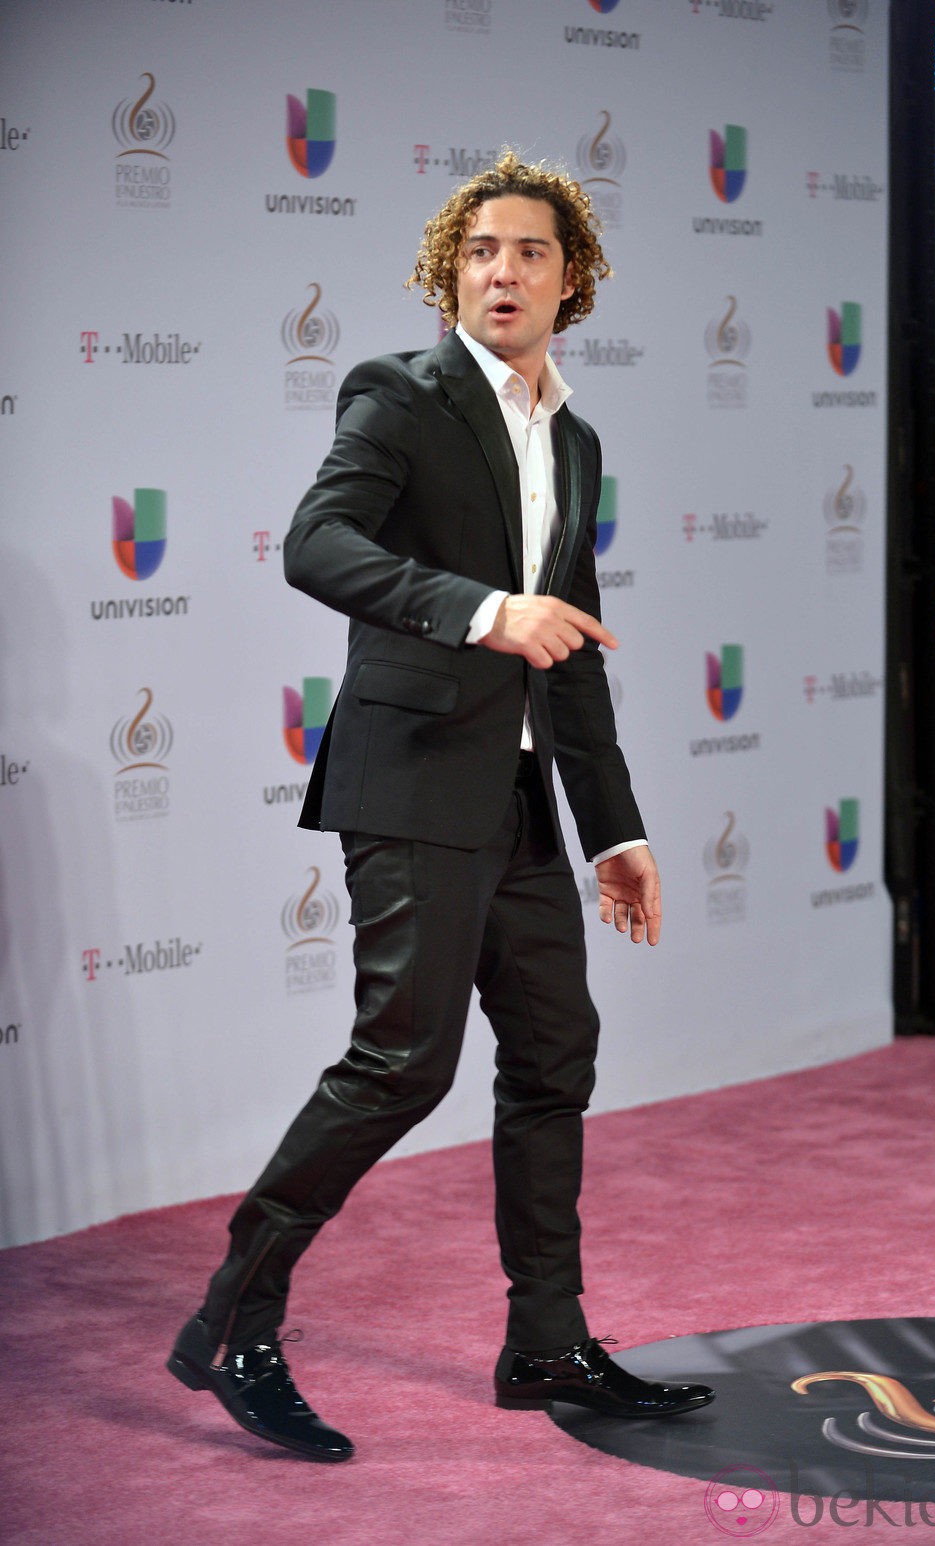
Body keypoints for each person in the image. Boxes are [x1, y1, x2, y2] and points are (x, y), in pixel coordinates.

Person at [167, 151, 714, 1462]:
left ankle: (546, 1339)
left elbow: (567, 646)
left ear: (569, 275)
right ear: (447, 272)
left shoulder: (573, 440)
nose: (503, 271)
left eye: (528, 250)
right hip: (411, 783)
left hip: (520, 800)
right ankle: (231, 1326)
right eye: (479, 252)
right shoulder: (401, 396)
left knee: (553, 1058)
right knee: (401, 1065)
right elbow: (318, 544)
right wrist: (480, 610)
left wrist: (617, 831)